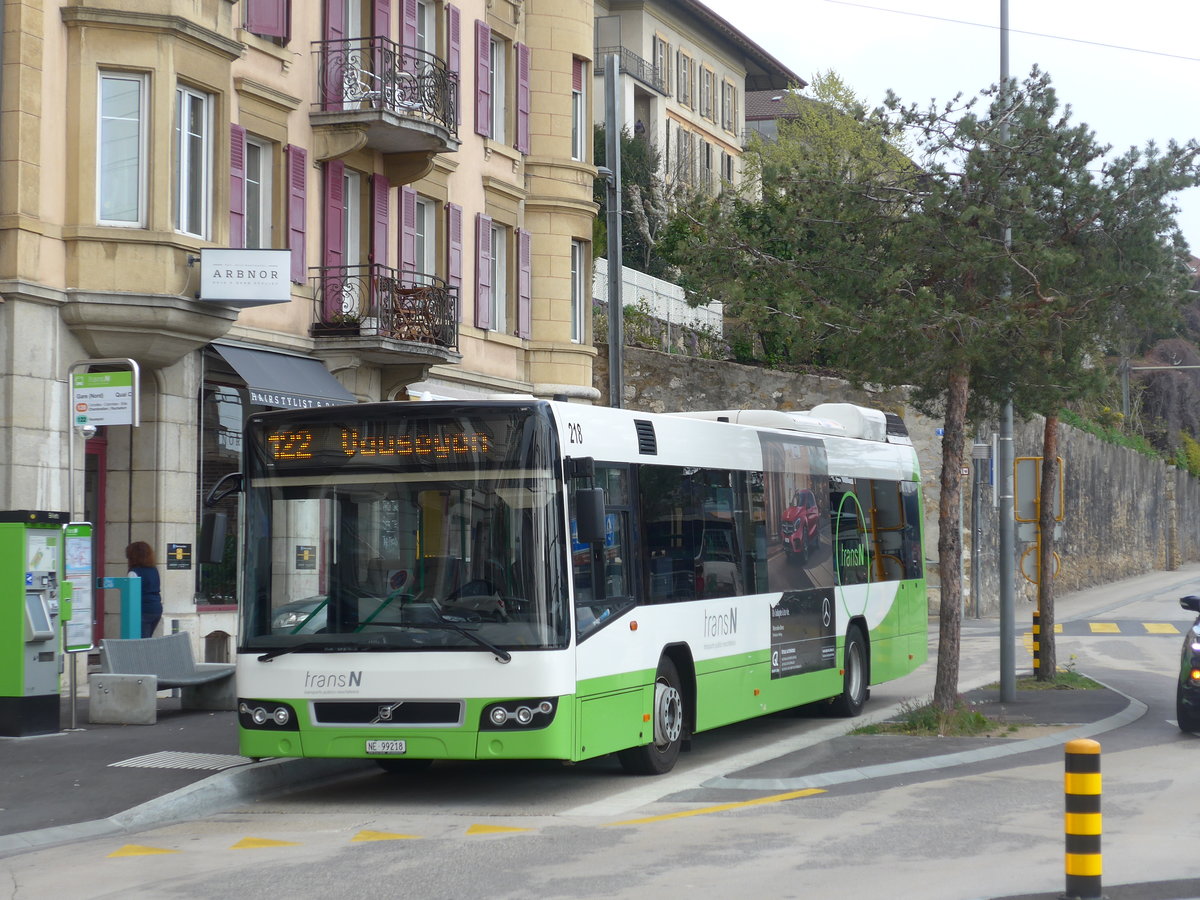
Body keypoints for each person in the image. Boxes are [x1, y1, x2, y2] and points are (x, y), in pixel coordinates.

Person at [125, 541, 163, 638]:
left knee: (141, 641)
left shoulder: (134, 572)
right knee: (147, 637)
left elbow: (130, 594)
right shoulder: (154, 570)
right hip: (156, 607)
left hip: (143, 609)